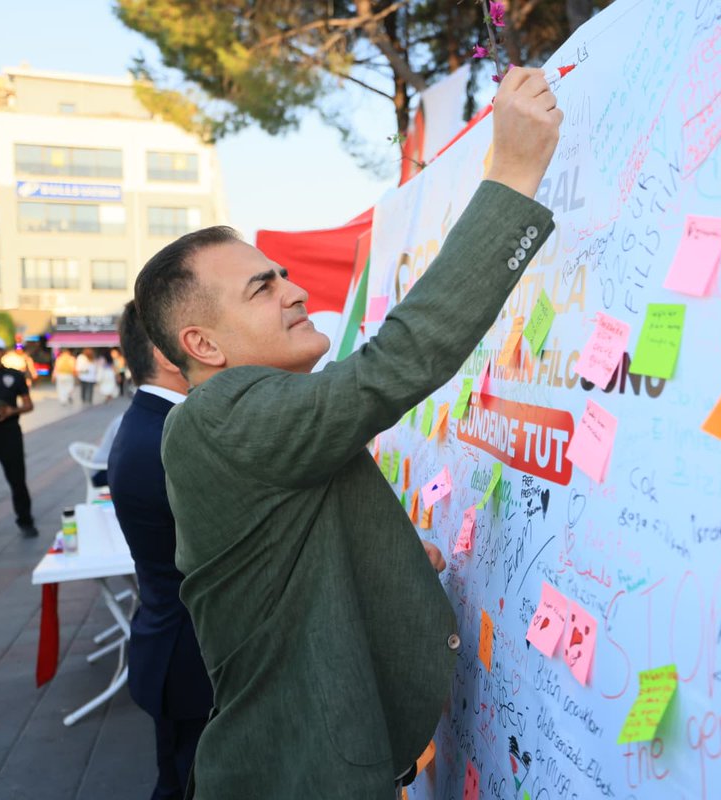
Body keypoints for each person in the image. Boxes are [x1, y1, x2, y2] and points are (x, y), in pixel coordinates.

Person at [134, 67, 560, 797]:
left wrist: (388, 560)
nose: (296, 291)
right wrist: (514, 174)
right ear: (203, 346)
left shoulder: (249, 416)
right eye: (262, 288)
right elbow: (392, 367)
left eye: (282, 275)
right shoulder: (218, 415)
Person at [107, 302, 212, 800]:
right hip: (189, 657)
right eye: (197, 336)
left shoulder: (155, 422)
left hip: (173, 648)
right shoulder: (168, 436)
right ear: (167, 354)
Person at [0, 335, 37, 537]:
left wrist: (11, 411)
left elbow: (28, 405)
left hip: (9, 435)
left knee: (17, 481)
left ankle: (25, 521)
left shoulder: (14, 376)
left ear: (2, 352)